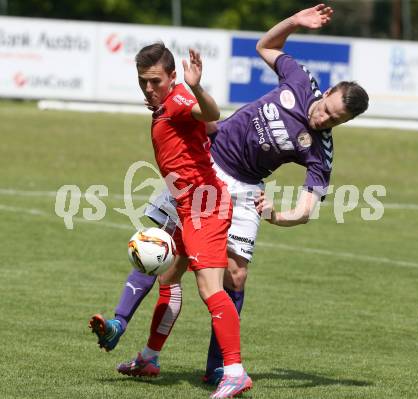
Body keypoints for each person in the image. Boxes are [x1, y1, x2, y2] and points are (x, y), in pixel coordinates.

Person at [90, 3, 368, 386]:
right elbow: (265, 47)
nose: (323, 118)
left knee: (234, 276)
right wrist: (295, 22)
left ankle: (218, 366)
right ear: (329, 90)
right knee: (164, 254)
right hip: (204, 161)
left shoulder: (320, 149)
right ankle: (141, 347)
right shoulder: (302, 81)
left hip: (244, 190)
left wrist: (275, 214)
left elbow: (306, 209)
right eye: (326, 109)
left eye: (335, 120)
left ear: (345, 122)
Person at [89, 42, 252, 399]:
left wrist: (196, 87)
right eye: (142, 81)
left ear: (172, 77)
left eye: (155, 81)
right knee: (166, 274)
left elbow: (207, 112)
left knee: (211, 288)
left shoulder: (178, 99)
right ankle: (148, 357)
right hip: (185, 206)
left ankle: (235, 371)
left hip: (204, 208)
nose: (148, 89)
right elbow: (209, 128)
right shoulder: (166, 105)